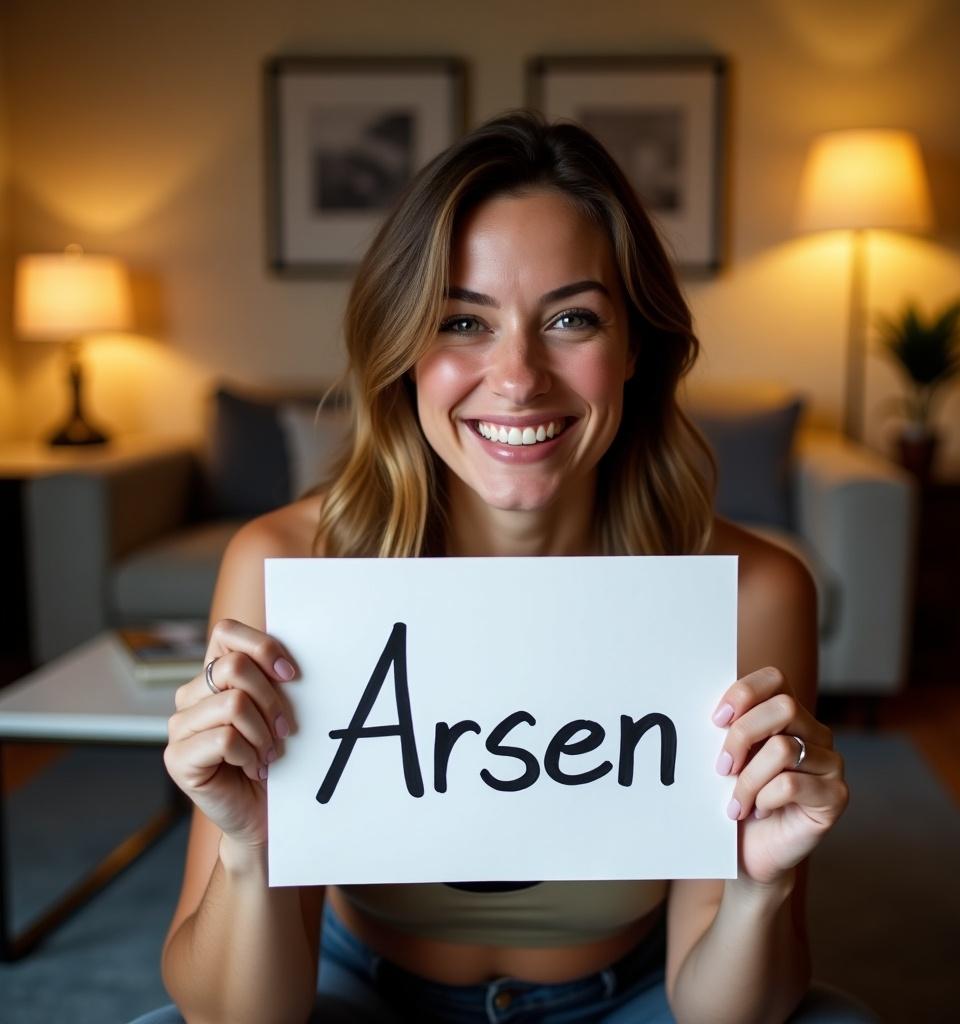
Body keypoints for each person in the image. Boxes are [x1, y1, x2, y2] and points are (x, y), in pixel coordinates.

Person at [137, 111, 865, 1024]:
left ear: (635, 345)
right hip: (351, 989)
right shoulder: (289, 567)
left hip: (631, 997)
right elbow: (238, 1018)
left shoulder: (744, 591)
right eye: (462, 321)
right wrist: (250, 852)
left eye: (570, 318)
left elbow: (726, 1012)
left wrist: (760, 890)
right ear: (404, 350)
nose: (518, 377)